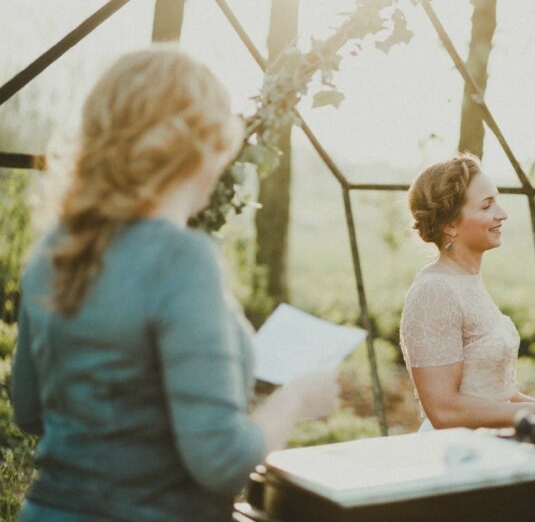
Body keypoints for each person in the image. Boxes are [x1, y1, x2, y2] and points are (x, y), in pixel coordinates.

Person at [10, 46, 339, 521]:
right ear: (200, 144)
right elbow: (222, 461)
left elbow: (31, 411)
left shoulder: (56, 250)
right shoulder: (180, 259)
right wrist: (296, 399)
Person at [400, 154, 535, 430]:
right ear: (450, 224)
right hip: (458, 454)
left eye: (496, 201)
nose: (501, 214)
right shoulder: (434, 292)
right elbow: (444, 410)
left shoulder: (468, 281)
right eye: (487, 205)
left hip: (497, 441)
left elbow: (497, 394)